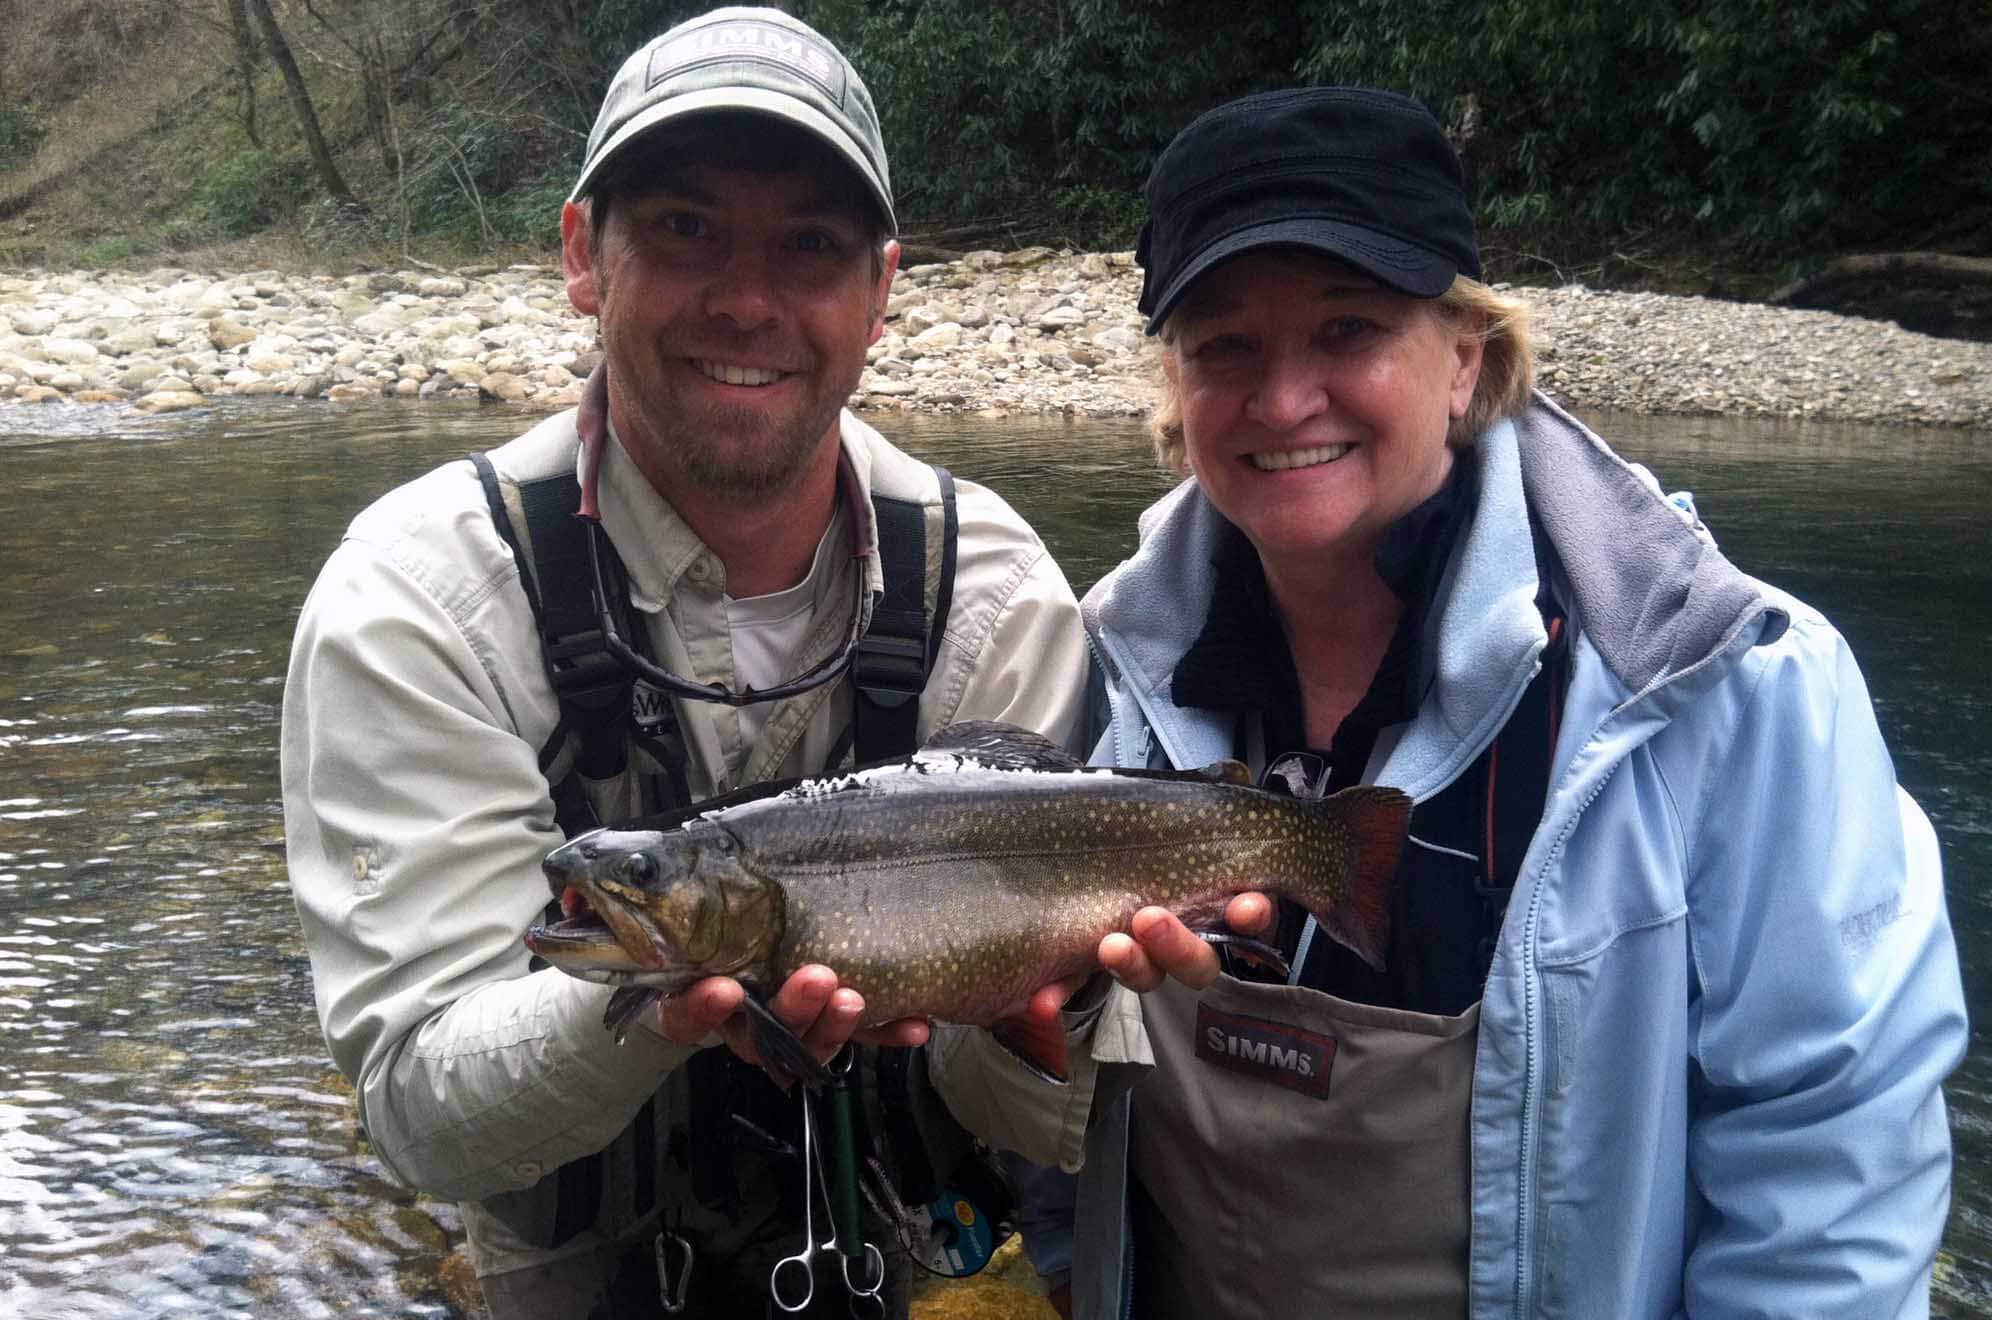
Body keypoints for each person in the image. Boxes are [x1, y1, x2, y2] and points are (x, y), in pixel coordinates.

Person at [933, 86, 1968, 1318]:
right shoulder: (1098, 670)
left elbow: (1830, 1169)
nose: (1281, 400)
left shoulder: (1727, 686)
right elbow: (1051, 1142)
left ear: (1466, 357)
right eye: (1226, 349)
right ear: (1175, 384)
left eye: (1349, 330)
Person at [279, 8, 1089, 1317]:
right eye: (686, 227)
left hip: (902, 1248)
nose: (748, 300)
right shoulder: (415, 596)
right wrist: (667, 1010)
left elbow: (1046, 1124)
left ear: (881, 292)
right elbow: (424, 1116)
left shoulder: (988, 593)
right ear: (582, 257)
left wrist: (1063, 1003)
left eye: (809, 245)